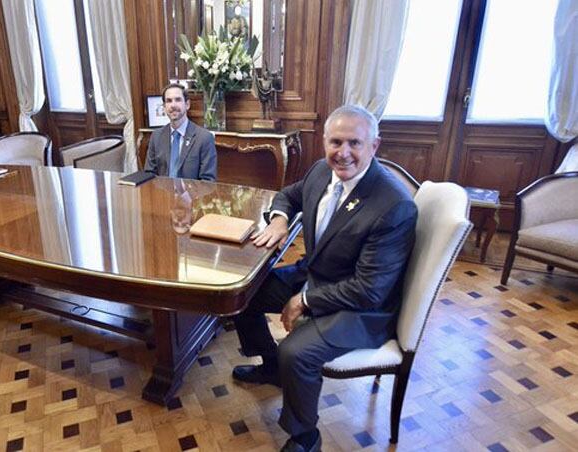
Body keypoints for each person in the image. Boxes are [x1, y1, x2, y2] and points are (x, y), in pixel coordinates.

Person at [231, 105, 418, 452]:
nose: (343, 153)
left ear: (374, 146)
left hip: (363, 310)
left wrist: (303, 300)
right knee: (245, 293)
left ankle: (306, 437)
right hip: (316, 275)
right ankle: (270, 367)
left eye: (354, 143)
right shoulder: (320, 171)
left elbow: (370, 290)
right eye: (335, 142)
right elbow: (288, 195)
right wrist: (279, 219)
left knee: (296, 353)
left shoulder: (393, 205)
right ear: (323, 142)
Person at [144, 83, 217, 181]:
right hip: (162, 195)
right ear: (164, 107)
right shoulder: (156, 136)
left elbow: (208, 181)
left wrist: (186, 196)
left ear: (187, 105)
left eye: (178, 100)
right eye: (169, 101)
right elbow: (149, 175)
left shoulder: (204, 138)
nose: (173, 105)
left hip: (192, 195)